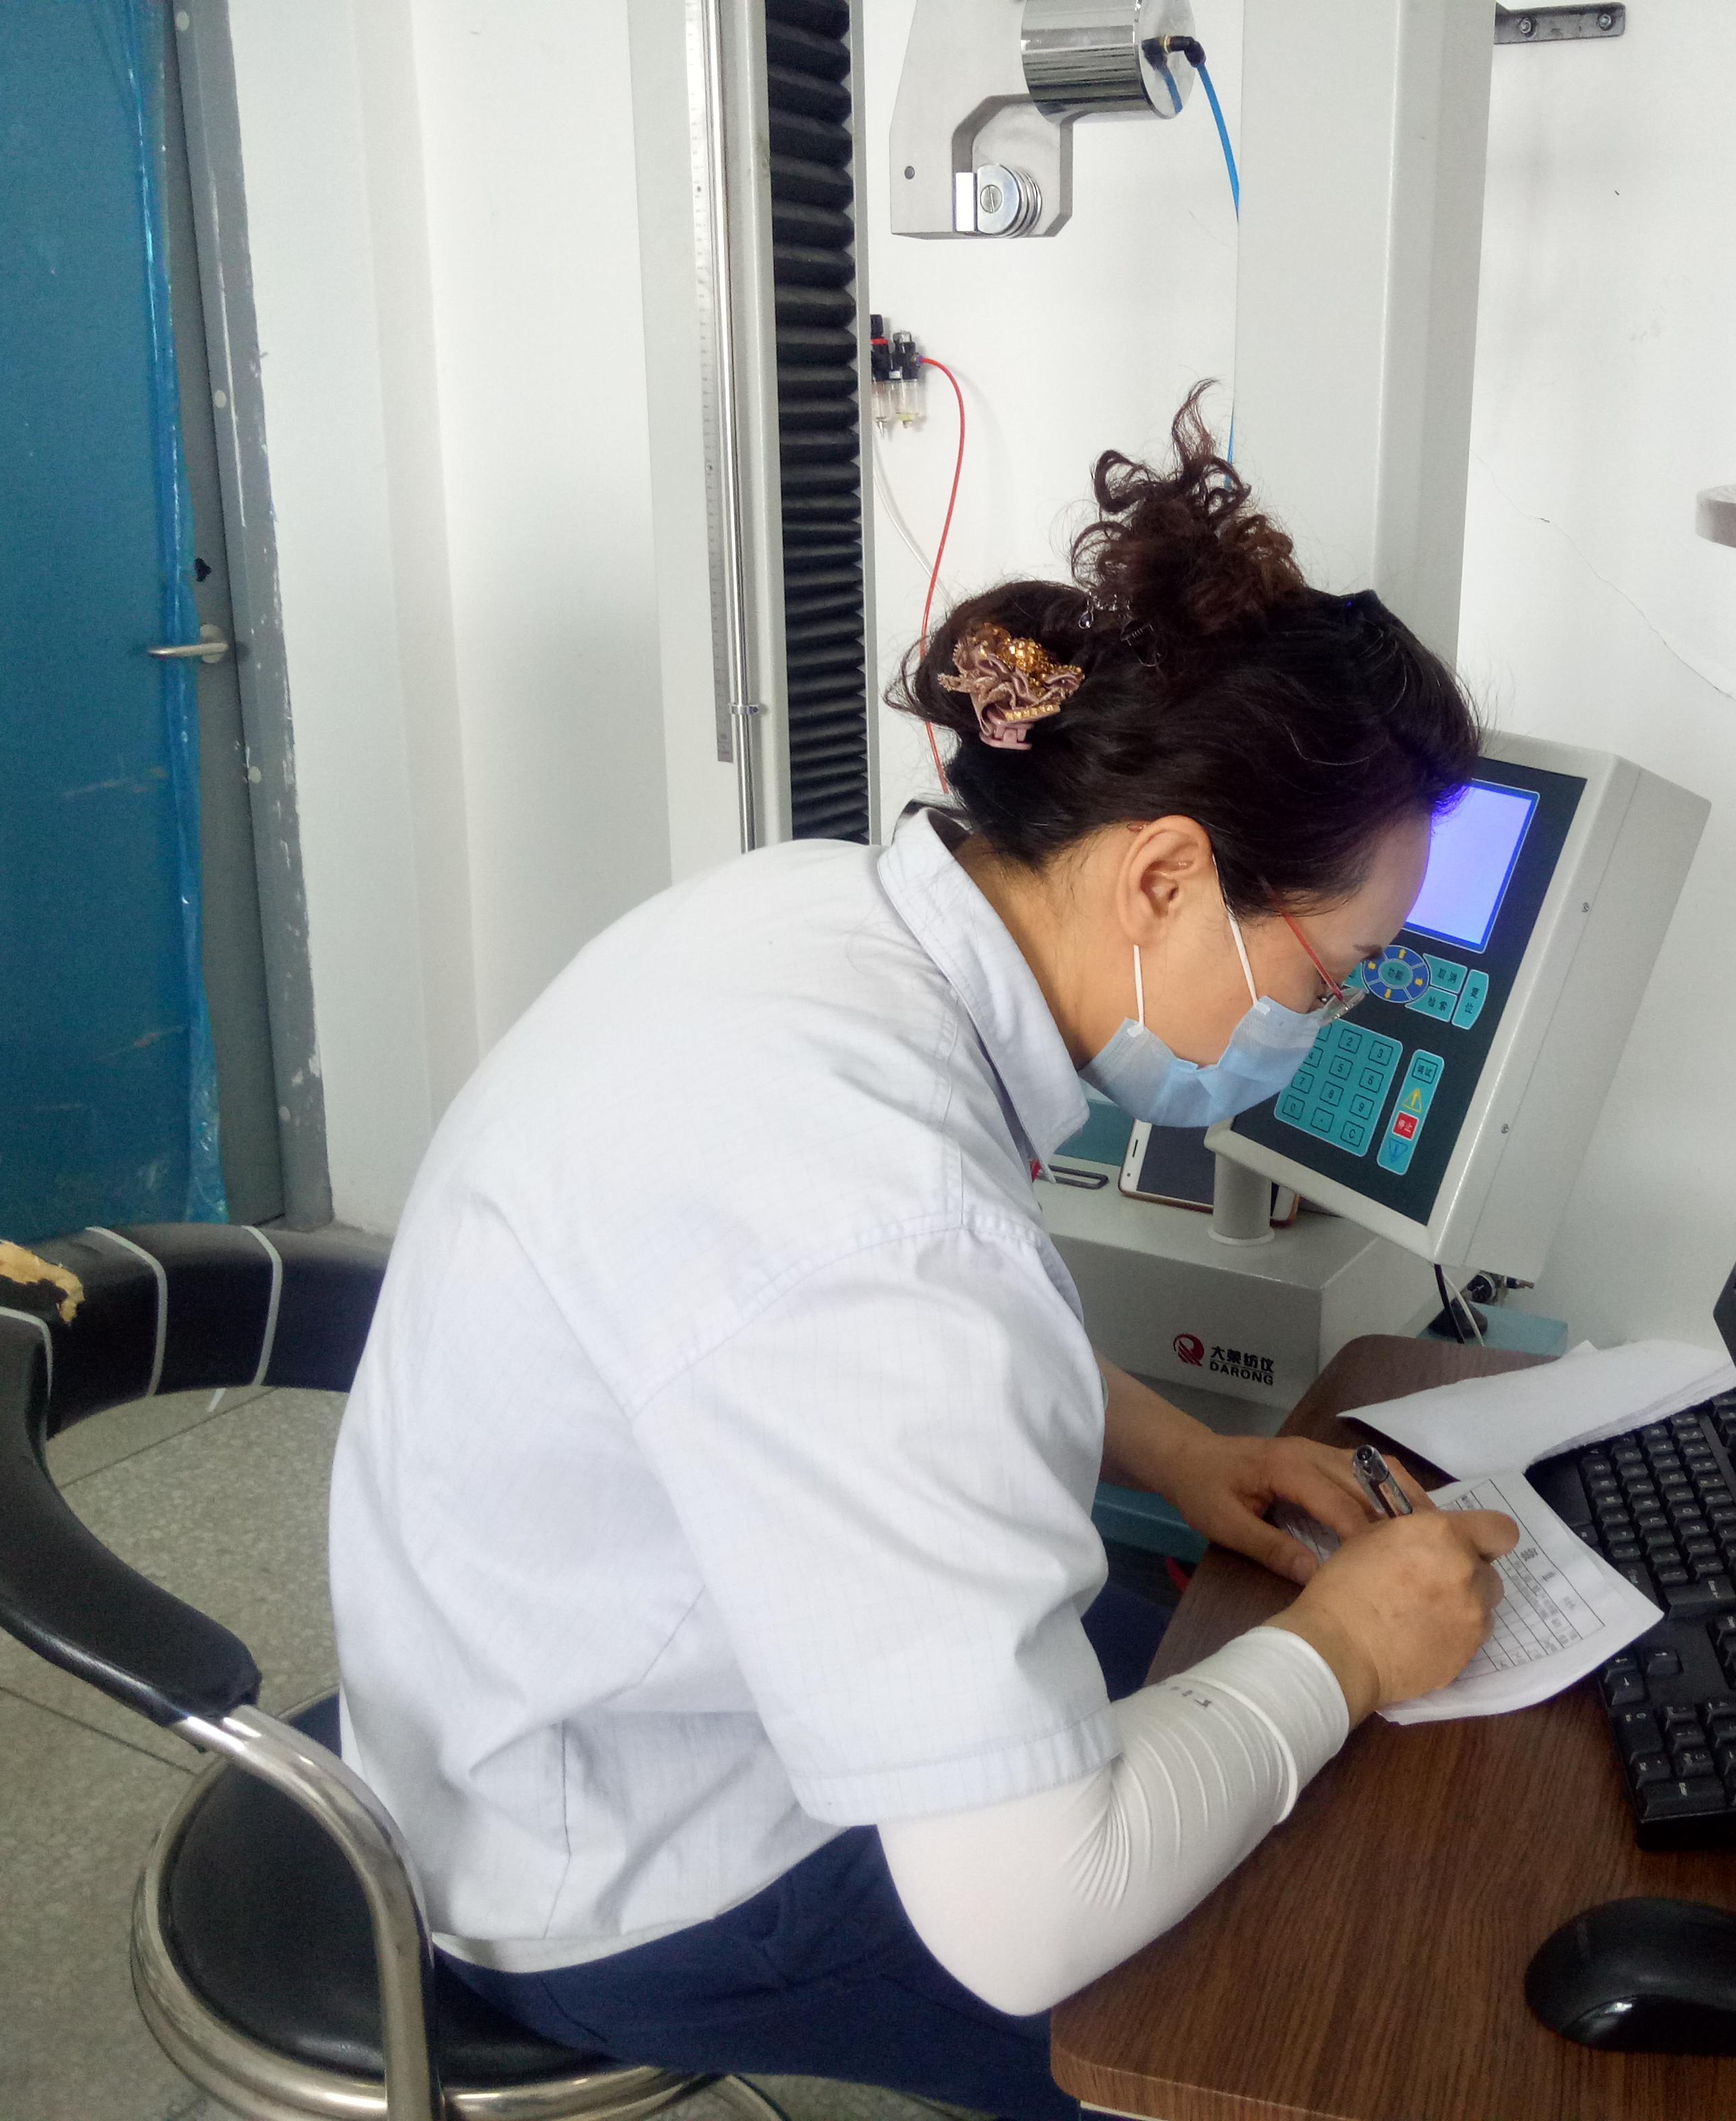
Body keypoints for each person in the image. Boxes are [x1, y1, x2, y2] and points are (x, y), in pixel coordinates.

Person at [327, 395, 1520, 2120]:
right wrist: (1347, 1650)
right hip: (633, 1863)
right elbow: (1029, 1920)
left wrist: (1176, 1449)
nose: (1316, 1026)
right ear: (1163, 876)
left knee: (1242, 1692)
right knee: (1311, 2027)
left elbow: (872, 1333)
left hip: (521, 1688)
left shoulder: (819, 911)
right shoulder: (883, 1225)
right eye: (1329, 977)